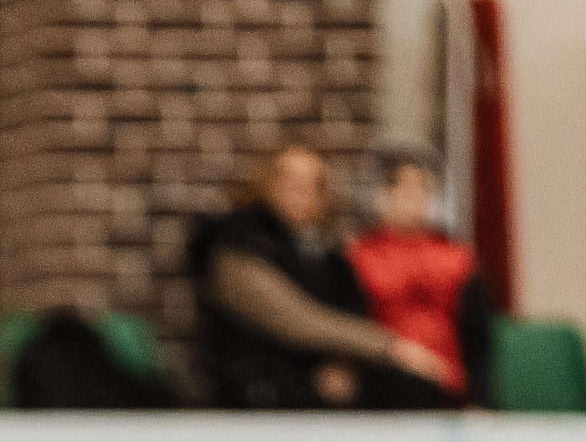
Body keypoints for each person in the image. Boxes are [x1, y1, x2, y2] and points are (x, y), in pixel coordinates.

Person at [189, 143, 454, 410]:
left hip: (320, 379)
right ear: (266, 184)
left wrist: (346, 363)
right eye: (291, 181)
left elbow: (348, 308)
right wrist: (391, 348)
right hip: (259, 383)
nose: (303, 193)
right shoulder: (239, 246)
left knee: (411, 389)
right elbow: (295, 319)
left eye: (313, 184)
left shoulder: (325, 253)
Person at [345, 145, 494, 408]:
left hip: (449, 386)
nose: (415, 198)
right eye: (405, 189)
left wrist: (480, 399)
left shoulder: (457, 258)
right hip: (383, 381)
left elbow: (478, 337)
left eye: (423, 189)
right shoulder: (358, 256)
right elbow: (350, 326)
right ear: (382, 195)